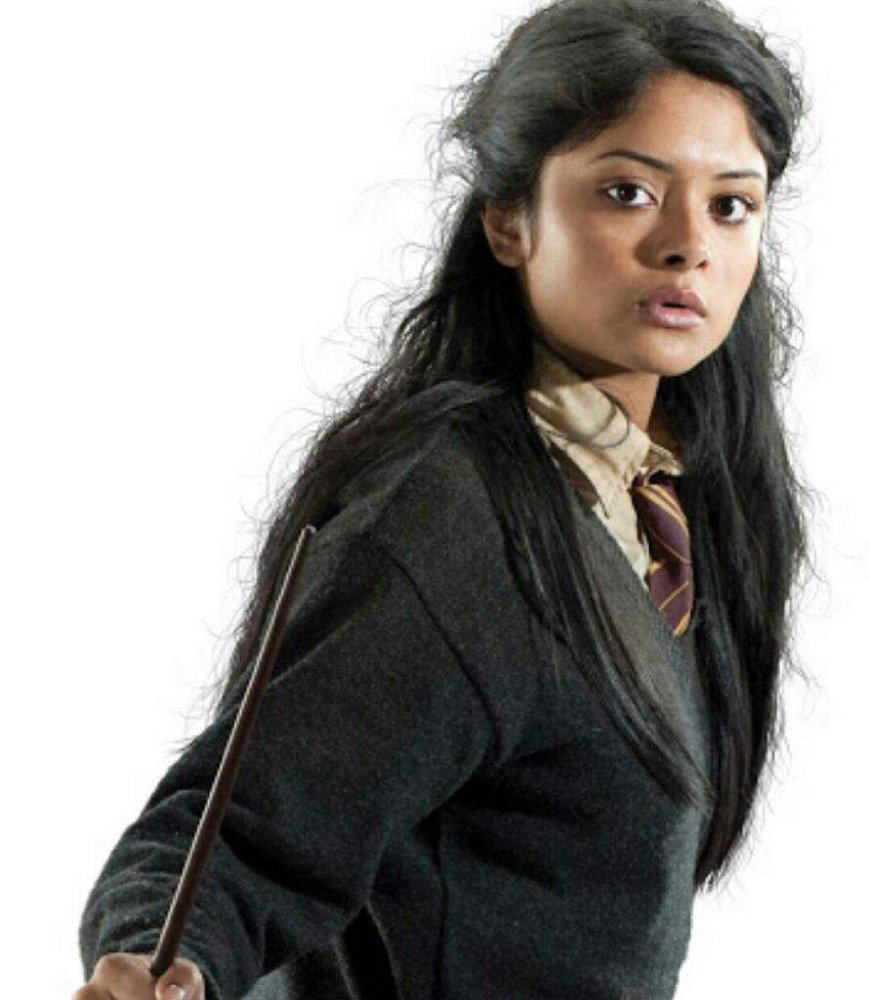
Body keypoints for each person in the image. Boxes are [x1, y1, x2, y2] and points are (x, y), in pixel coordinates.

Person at [73, 0, 819, 998]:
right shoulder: (452, 516)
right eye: (628, 192)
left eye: (731, 205)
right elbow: (241, 832)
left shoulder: (676, 496)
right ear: (509, 220)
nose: (689, 244)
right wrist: (163, 965)